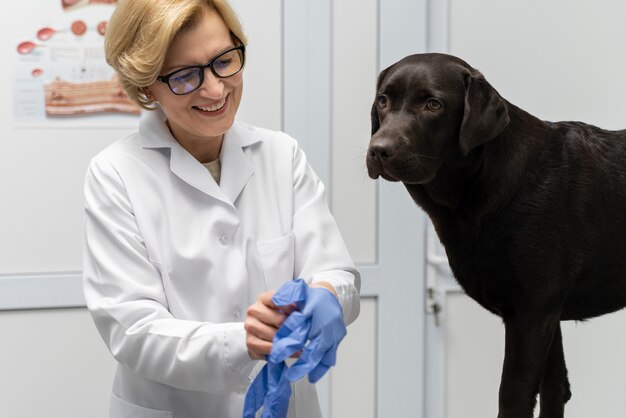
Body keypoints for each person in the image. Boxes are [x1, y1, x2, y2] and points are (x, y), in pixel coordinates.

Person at [82, 0, 360, 417]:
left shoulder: (281, 155)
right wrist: (243, 341)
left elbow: (336, 271)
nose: (214, 89)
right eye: (184, 76)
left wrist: (325, 295)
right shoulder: (115, 174)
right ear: (146, 86)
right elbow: (133, 330)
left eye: (223, 61)